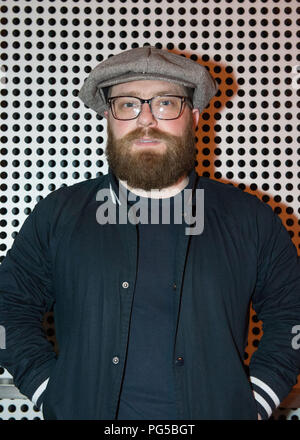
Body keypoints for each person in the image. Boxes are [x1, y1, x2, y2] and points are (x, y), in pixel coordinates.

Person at [0, 46, 299, 421]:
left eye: (165, 103)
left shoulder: (249, 218)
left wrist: (254, 402)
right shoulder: (58, 215)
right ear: (108, 117)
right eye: (127, 104)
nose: (146, 119)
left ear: (193, 116)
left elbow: (292, 314)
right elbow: (8, 309)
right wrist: (50, 389)